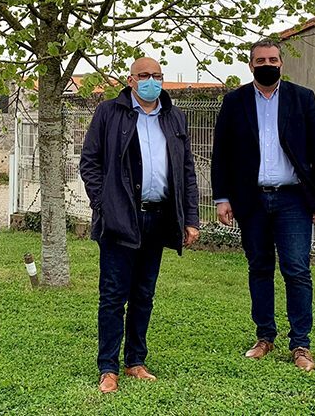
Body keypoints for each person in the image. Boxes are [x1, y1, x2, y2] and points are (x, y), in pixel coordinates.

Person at [79, 57, 201, 393]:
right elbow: (89, 161)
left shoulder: (173, 116)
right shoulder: (109, 112)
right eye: (144, 75)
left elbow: (186, 170)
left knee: (144, 295)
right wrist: (104, 204)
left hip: (159, 217)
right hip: (120, 219)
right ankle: (108, 368)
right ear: (131, 80)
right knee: (113, 296)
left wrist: (190, 218)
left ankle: (135, 361)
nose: (151, 81)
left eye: (157, 76)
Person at [211, 38, 315, 371]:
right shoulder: (234, 102)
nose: (268, 64)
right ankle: (264, 336)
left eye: (273, 59)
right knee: (259, 268)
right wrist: (222, 198)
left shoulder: (301, 98)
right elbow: (221, 154)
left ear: (282, 64)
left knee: (296, 269)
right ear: (250, 66)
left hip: (293, 199)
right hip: (251, 199)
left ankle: (301, 344)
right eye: (260, 60)